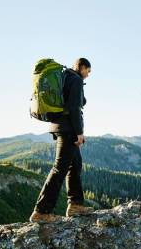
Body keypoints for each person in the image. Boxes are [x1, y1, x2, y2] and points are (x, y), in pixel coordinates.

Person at [29, 57, 93, 222]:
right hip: (68, 129)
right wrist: (79, 132)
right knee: (59, 169)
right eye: (88, 71)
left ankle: (75, 205)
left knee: (75, 165)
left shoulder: (65, 78)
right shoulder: (76, 80)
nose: (88, 74)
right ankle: (41, 211)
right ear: (82, 67)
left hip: (59, 126)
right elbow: (74, 108)